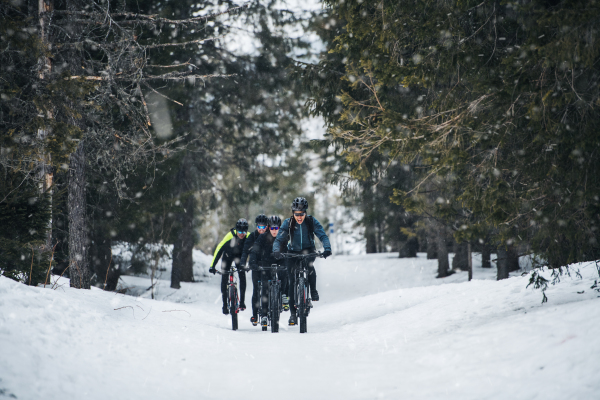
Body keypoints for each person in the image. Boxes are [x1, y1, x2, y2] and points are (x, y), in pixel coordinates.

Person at [273, 197, 331, 326]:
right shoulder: (288, 223)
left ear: (305, 212)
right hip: (292, 252)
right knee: (292, 280)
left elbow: (322, 235)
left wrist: (327, 248)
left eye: (302, 214)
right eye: (297, 214)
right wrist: (276, 250)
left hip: (308, 250)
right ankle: (293, 314)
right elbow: (279, 239)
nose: (299, 217)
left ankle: (313, 290)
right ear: (293, 213)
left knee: (309, 267)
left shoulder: (311, 221)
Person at [248, 215, 285, 327]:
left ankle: (283, 295)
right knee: (265, 286)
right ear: (269, 228)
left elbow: (289, 250)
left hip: (280, 261)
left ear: (280, 228)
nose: (274, 231)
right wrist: (252, 262)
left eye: (276, 228)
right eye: (272, 228)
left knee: (285, 274)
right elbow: (255, 250)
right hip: (266, 263)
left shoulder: (283, 237)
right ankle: (264, 315)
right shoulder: (263, 237)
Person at [209, 218, 250, 314]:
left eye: (244, 231)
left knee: (242, 275)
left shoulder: (248, 237)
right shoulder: (230, 236)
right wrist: (212, 266)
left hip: (239, 258)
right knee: (224, 278)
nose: (241, 234)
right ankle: (224, 304)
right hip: (227, 256)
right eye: (239, 231)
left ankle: (242, 302)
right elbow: (219, 249)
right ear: (236, 229)